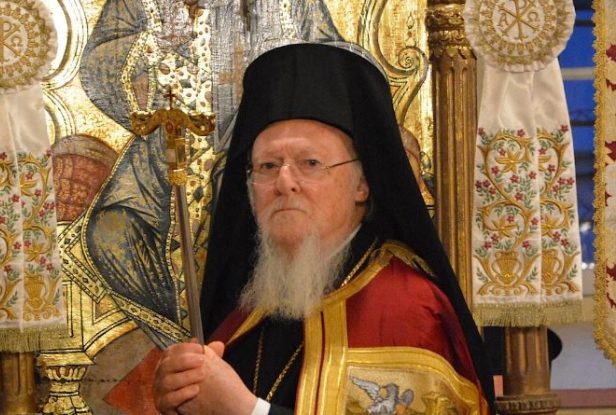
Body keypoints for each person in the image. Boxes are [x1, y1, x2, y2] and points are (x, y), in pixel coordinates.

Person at [153, 42, 495, 415]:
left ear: (362, 184)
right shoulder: (244, 316)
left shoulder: (408, 309)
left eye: (310, 163)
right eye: (268, 166)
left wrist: (248, 411)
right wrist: (180, 397)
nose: (284, 182)